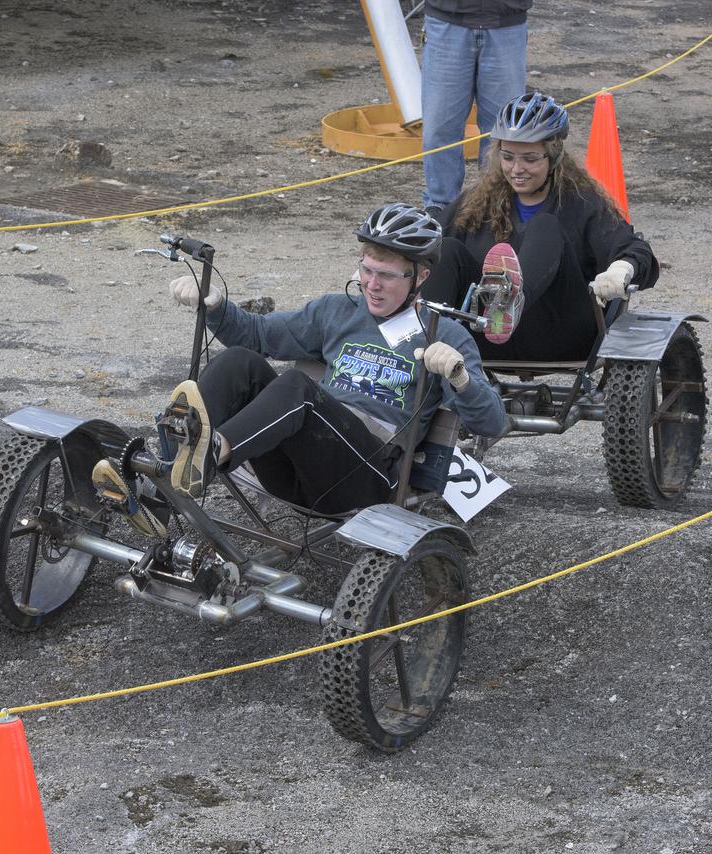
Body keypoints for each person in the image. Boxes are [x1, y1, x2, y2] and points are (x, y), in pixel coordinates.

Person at [94, 204, 508, 524]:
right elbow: (257, 334)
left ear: (420, 278)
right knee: (241, 361)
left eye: (387, 275)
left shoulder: (446, 334)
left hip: (365, 478)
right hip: (298, 466)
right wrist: (217, 308)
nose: (372, 284)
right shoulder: (337, 311)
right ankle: (160, 476)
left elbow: (492, 424)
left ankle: (204, 457)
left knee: (298, 388)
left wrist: (460, 378)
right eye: (366, 269)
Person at [420, 91, 660, 363]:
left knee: (544, 227)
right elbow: (429, 235)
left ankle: (511, 301)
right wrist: (388, 261)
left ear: (553, 156)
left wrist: (621, 269)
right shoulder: (479, 201)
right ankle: (424, 340)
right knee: (446, 248)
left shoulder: (581, 203)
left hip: (558, 334)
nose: (516, 169)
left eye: (531, 159)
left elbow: (635, 249)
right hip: (485, 334)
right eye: (508, 157)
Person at [420, 0, 531, 219]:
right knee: (439, 128)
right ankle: (440, 209)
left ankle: (496, 204)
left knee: (504, 130)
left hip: (507, 24)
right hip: (446, 22)